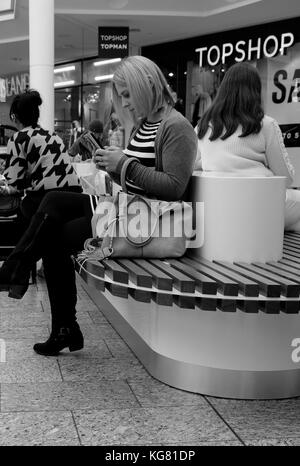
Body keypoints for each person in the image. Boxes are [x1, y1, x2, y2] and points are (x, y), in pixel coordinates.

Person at [0, 55, 197, 356]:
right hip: (128, 210)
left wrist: (125, 163)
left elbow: (173, 188)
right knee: (52, 202)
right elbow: (137, 179)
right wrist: (112, 165)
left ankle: (38, 298)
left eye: (128, 94)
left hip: (147, 222)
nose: (127, 104)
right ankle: (30, 286)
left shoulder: (176, 126)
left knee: (54, 232)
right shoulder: (145, 124)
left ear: (147, 84)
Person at [195, 61, 300, 232]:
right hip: (258, 205)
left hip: (217, 207)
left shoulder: (203, 126)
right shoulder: (266, 125)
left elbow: (193, 164)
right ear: (256, 91)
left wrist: (215, 162)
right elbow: (286, 178)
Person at [0, 89, 82, 221]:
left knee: (23, 209)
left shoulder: (19, 138)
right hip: (75, 197)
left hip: (49, 201)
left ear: (15, 117)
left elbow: (14, 183)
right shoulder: (53, 135)